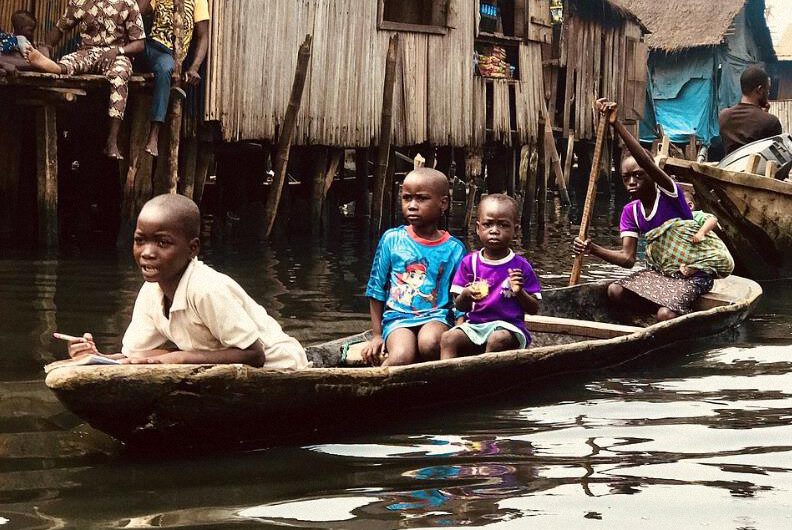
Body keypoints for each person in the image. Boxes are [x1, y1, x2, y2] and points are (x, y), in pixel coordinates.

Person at [63, 194, 308, 369]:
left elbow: (255, 355)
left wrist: (179, 358)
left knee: (166, 356)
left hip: (281, 366)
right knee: (152, 356)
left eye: (162, 243)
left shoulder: (206, 289)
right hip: (222, 367)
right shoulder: (151, 291)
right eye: (140, 240)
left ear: (192, 248)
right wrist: (97, 357)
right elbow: (136, 355)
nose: (147, 252)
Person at [573, 98, 711, 321]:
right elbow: (628, 259)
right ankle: (644, 319)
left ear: (651, 175)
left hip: (691, 276)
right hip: (661, 275)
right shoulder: (631, 212)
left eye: (639, 175)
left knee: (665, 314)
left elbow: (646, 162)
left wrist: (616, 125)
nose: (632, 182)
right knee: (614, 291)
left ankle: (665, 315)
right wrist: (592, 249)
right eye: (626, 177)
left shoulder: (670, 194)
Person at [361, 168, 466, 366]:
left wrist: (460, 328)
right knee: (401, 356)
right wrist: (376, 335)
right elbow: (376, 289)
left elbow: (459, 294)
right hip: (398, 318)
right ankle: (372, 388)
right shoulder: (392, 239)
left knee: (430, 344)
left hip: (437, 317)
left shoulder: (454, 249)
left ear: (443, 203)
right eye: (407, 198)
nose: (412, 206)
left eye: (421, 199)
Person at [24, 0, 146, 160]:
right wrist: (47, 45)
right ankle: (54, 66)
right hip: (87, 51)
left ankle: (112, 140)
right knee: (70, 62)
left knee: (120, 76)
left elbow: (139, 43)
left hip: (117, 54)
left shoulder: (128, 3)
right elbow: (60, 28)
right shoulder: (80, 2)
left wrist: (118, 50)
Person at [440, 194, 540, 359]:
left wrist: (520, 292)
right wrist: (466, 294)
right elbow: (460, 307)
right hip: (476, 326)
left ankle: (484, 377)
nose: (494, 231)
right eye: (488, 224)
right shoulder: (469, 263)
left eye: (503, 225)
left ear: (516, 230)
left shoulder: (521, 267)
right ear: (478, 229)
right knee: (447, 338)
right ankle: (446, 379)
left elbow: (534, 309)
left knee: (497, 339)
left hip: (509, 328)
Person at [137, 0, 210, 157]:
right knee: (132, 45)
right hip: (150, 46)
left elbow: (203, 36)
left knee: (165, 68)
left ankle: (154, 135)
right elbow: (140, 11)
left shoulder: (198, 1)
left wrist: (194, 68)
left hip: (169, 54)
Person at [645, 186, 734, 280]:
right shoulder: (672, 223)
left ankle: (692, 269)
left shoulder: (694, 215)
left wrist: (701, 232)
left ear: (690, 206)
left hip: (699, 253)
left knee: (714, 260)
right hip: (685, 257)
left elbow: (712, 220)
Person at [719, 65, 782, 156]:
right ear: (760, 90)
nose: (769, 93)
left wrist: (763, 115)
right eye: (768, 89)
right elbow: (776, 159)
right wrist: (765, 116)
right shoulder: (771, 122)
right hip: (756, 170)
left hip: (729, 167)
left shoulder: (723, 116)